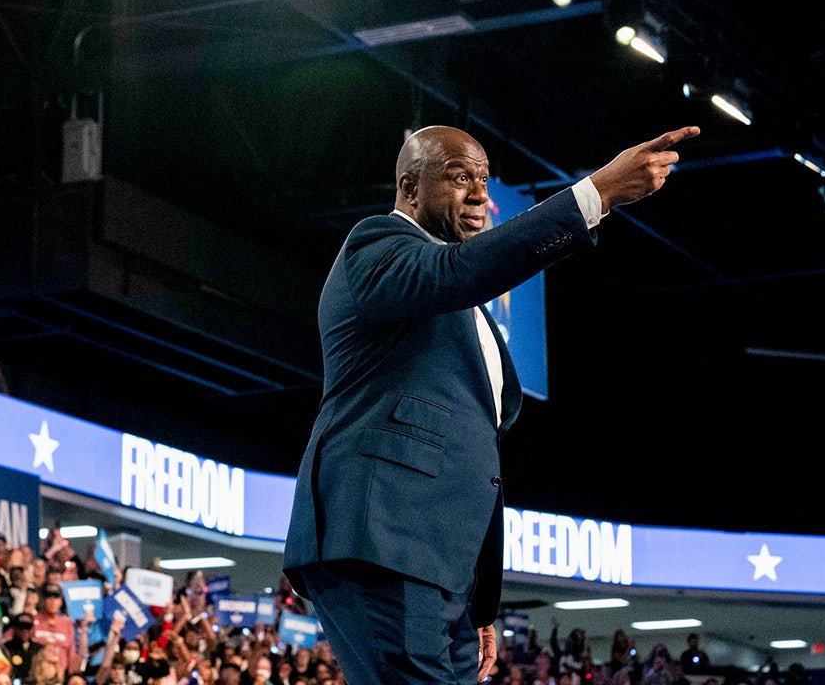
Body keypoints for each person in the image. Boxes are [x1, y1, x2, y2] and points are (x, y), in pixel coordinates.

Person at [280, 122, 699, 685]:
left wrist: (474, 598)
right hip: (381, 543)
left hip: (437, 570)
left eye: (483, 178)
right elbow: (459, 273)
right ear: (409, 187)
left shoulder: (459, 302)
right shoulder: (375, 247)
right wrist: (595, 192)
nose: (481, 194)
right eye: (459, 178)